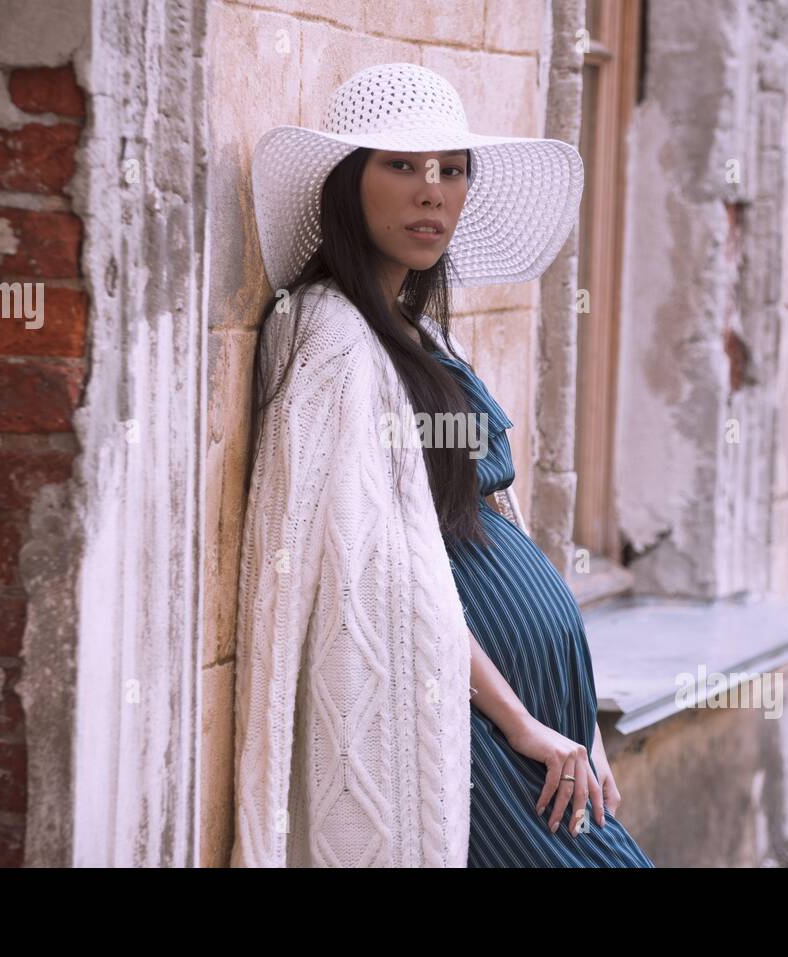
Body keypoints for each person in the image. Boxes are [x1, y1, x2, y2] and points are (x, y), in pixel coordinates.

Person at [231, 62, 654, 868]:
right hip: (458, 716)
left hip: (528, 709)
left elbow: (490, 517)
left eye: (451, 170)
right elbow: (380, 576)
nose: (433, 192)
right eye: (402, 166)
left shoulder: (422, 336)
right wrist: (520, 721)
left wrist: (574, 718)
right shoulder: (327, 335)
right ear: (348, 183)